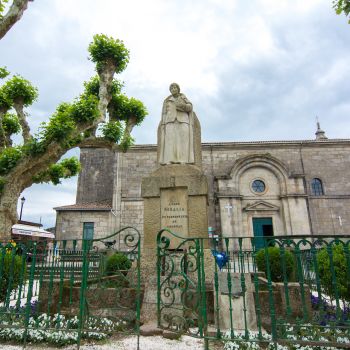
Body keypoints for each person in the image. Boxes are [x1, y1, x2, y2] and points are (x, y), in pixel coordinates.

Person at [158, 83, 195, 165]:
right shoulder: (167, 101)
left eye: (175, 88)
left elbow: (190, 107)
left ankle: (183, 159)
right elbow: (164, 113)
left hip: (183, 120)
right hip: (170, 121)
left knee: (183, 140)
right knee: (170, 141)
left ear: (178, 89)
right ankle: (169, 159)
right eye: (171, 88)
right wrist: (163, 123)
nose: (173, 89)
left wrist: (183, 106)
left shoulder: (183, 97)